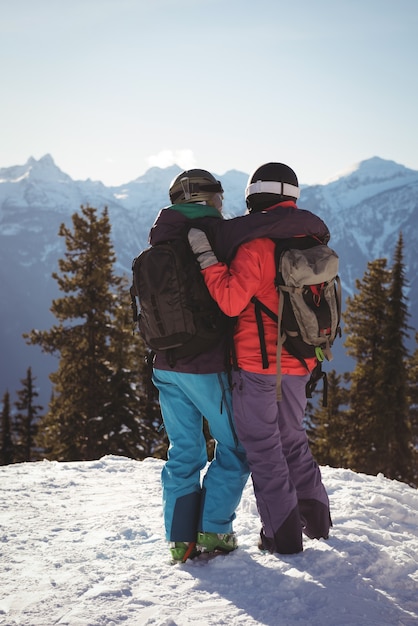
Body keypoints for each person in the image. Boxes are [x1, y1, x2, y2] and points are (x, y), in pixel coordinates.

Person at [188, 162, 332, 555]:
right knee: (292, 439)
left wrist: (207, 259)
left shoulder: (256, 245)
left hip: (258, 364)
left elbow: (232, 301)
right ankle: (317, 520)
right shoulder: (311, 240)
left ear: (254, 196)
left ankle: (281, 535)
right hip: (301, 362)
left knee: (263, 447)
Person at [149, 169, 250, 563]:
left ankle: (179, 539)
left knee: (184, 450)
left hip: (165, 362)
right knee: (236, 446)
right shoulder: (216, 234)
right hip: (207, 364)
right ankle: (213, 532)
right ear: (202, 198)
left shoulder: (160, 234)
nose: (224, 205)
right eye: (219, 197)